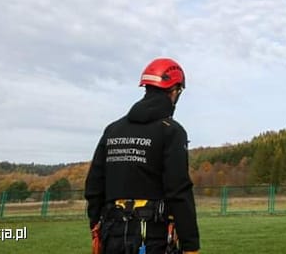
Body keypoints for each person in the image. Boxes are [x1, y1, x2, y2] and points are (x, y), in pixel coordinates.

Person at [85, 58, 200, 254]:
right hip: (152, 237)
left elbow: (94, 184)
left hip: (111, 234)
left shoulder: (113, 130)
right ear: (174, 90)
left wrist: (95, 226)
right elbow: (178, 190)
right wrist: (191, 245)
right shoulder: (171, 131)